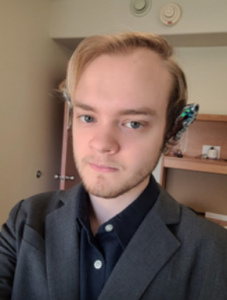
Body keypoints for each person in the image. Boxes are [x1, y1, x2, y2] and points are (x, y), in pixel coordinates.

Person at [0, 32, 227, 300]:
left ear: (170, 132)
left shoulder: (215, 252)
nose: (101, 144)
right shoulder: (26, 219)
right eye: (88, 116)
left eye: (133, 123)